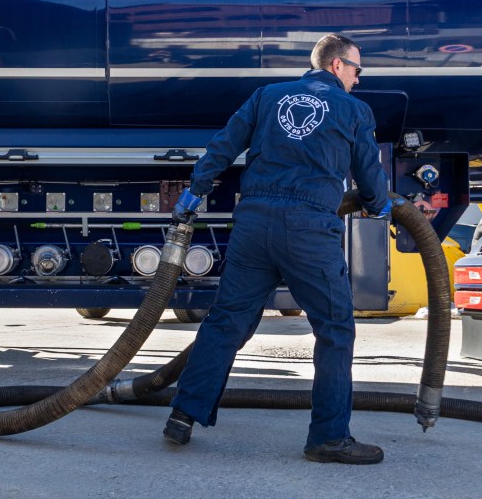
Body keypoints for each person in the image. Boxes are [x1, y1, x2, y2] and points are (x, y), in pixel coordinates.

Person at [163, 33, 394, 464]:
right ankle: (328, 437)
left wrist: (192, 196)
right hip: (309, 229)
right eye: (358, 70)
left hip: (254, 224)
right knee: (335, 329)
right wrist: (380, 207)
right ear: (336, 66)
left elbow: (222, 147)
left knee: (227, 320)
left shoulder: (267, 96)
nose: (359, 80)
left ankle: (183, 414)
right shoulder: (354, 110)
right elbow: (369, 178)